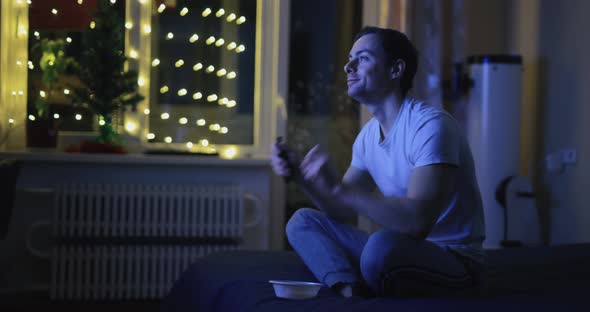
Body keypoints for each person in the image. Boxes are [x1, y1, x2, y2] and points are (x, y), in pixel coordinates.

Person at [271, 26, 485, 298]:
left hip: (454, 260)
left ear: (395, 70)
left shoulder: (430, 126)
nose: (348, 66)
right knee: (302, 221)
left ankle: (365, 275)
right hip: (401, 251)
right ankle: (349, 289)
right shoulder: (368, 137)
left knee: (381, 246)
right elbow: (341, 211)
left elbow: (418, 222)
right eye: (350, 58)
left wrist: (339, 189)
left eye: (363, 58)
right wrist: (301, 177)